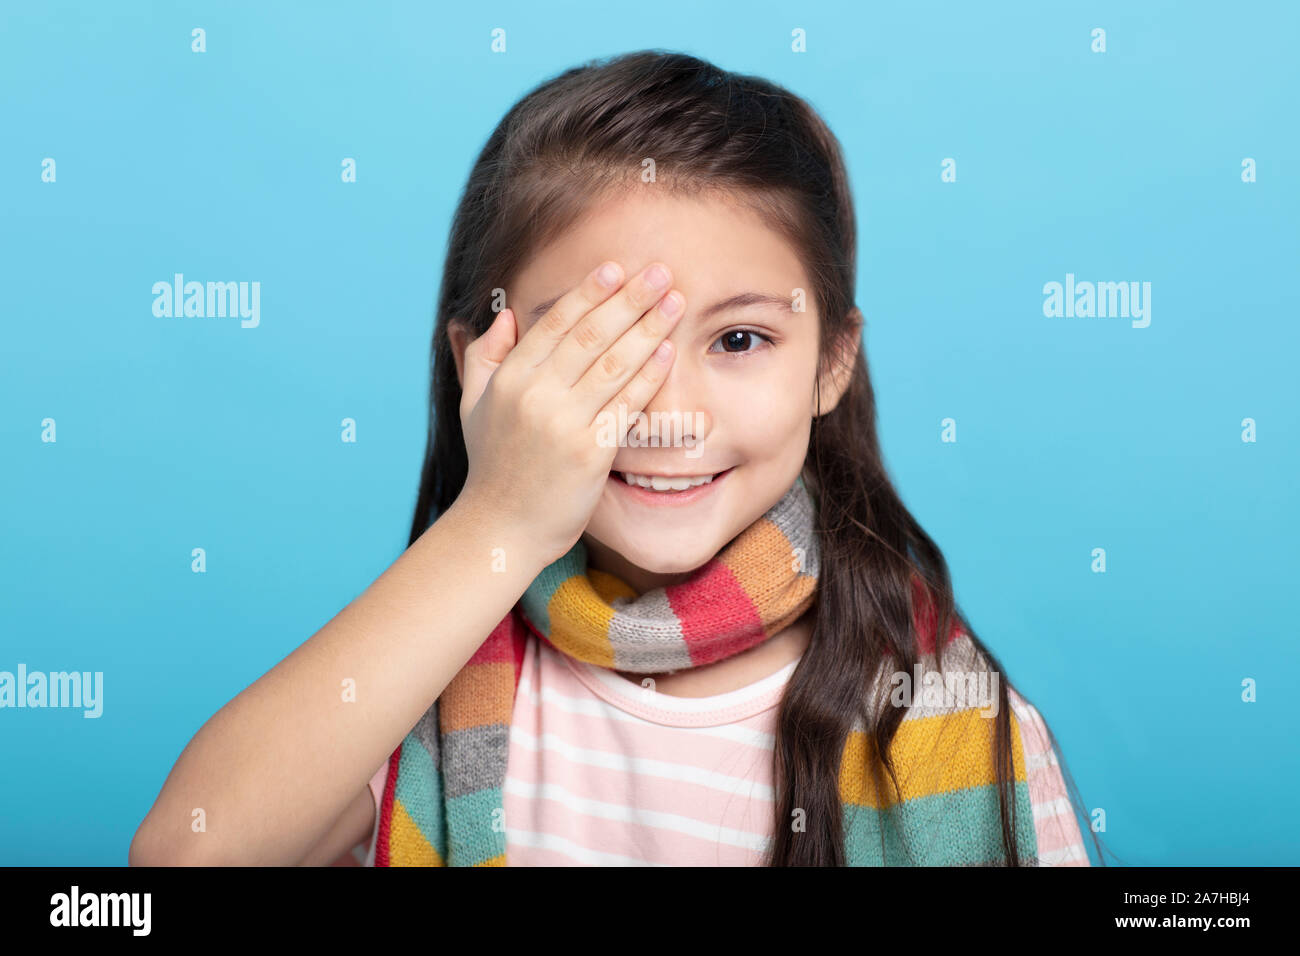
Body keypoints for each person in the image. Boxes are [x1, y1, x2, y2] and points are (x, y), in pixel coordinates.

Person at [131, 50, 1103, 867]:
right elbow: (183, 855)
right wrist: (499, 520)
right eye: (596, 345)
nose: (668, 414)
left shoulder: (959, 722)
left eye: (738, 340)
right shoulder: (413, 684)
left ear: (831, 361)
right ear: (484, 362)